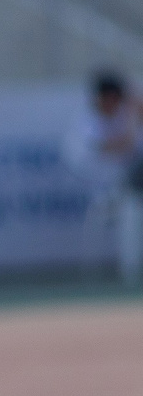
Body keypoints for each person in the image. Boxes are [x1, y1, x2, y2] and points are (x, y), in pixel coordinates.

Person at [65, 71, 143, 284]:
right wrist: (132, 118)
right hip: (102, 192)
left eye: (118, 98)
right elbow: (121, 147)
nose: (114, 103)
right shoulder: (87, 122)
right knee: (134, 207)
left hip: (128, 187)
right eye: (109, 98)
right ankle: (133, 271)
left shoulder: (122, 116)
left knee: (135, 198)